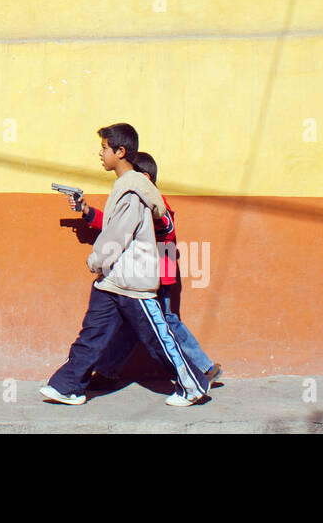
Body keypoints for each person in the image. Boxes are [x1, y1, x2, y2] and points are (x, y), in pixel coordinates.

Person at [39, 123, 211, 407]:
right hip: (112, 279)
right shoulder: (124, 186)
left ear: (120, 152)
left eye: (105, 148)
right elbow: (113, 223)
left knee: (158, 339)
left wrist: (95, 260)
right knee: (92, 334)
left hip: (131, 280)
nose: (100, 153)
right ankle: (70, 386)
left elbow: (118, 234)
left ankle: (192, 386)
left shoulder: (132, 189)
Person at [78, 151, 221, 391]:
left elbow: (166, 227)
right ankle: (108, 371)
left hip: (158, 273)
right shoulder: (137, 201)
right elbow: (117, 224)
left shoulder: (155, 202)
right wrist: (89, 213)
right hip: (141, 274)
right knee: (131, 325)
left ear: (144, 177)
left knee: (166, 322)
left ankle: (204, 368)